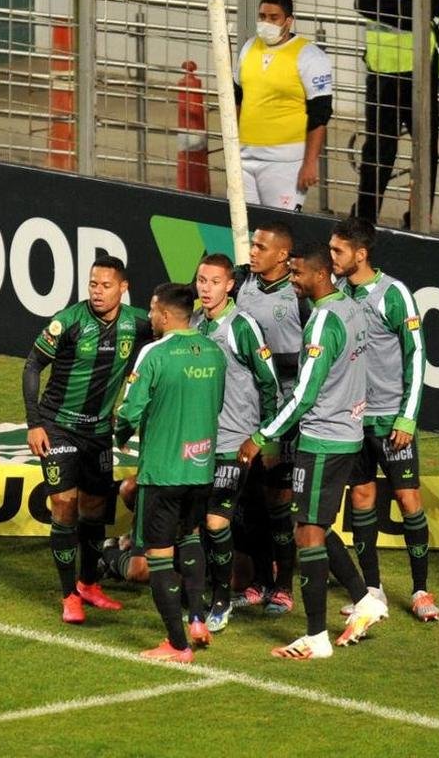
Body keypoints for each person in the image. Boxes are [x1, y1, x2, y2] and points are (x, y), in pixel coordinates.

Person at [238, 244, 386, 660]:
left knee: (307, 533)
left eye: (298, 273)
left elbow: (304, 394)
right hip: (347, 433)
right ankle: (364, 599)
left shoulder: (321, 321)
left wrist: (263, 435)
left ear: (319, 275)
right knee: (314, 526)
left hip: (323, 437)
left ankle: (316, 637)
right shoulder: (351, 308)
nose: (293, 279)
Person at [24, 256, 153, 624]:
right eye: (93, 284)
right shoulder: (68, 323)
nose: (97, 292)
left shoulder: (137, 323)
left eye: (106, 285)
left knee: (95, 510)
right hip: (58, 426)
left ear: (123, 288)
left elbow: (173, 324)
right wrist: (35, 423)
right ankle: (68, 596)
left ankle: (89, 584)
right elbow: (32, 365)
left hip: (98, 432)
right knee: (64, 505)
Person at [329, 217, 439, 621]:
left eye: (338, 251)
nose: (332, 257)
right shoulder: (337, 293)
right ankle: (372, 591)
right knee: (361, 500)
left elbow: (417, 356)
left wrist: (407, 418)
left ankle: (421, 589)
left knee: (409, 501)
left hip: (392, 421)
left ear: (360, 254)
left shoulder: (394, 295)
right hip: (353, 423)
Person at [115, 283, 225, 663]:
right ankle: (197, 619)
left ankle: (177, 645)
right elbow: (219, 401)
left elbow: (130, 411)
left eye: (151, 309)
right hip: (201, 468)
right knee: (192, 538)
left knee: (159, 558)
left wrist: (120, 433)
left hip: (163, 471)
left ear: (164, 313)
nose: (149, 316)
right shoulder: (214, 351)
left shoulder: (154, 353)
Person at [192, 253, 281, 634]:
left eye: (213, 282)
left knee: (216, 521)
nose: (205, 288)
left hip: (234, 443)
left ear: (230, 285)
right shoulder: (194, 324)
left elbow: (270, 384)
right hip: (197, 444)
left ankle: (222, 599)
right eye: (201, 280)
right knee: (198, 524)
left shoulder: (242, 327)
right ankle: (202, 595)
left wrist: (265, 436)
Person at [231, 222, 307, 615]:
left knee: (280, 502)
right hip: (246, 409)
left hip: (284, 410)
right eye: (253, 245)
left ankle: (283, 586)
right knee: (252, 498)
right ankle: (260, 580)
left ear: (282, 255)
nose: (253, 251)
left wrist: (263, 359)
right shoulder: (241, 282)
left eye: (261, 246)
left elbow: (314, 357)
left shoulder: (299, 296)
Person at [354, 0, 439, 229]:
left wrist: (381, 4)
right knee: (377, 150)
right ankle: (364, 220)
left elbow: (420, 15)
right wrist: (400, 8)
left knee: (424, 150)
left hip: (418, 73)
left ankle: (417, 220)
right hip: (381, 72)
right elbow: (361, 1)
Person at [234, 0, 334, 211]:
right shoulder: (248, 48)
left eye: (273, 17)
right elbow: (238, 97)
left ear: (289, 20)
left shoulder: (310, 56)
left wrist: (309, 163)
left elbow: (320, 115)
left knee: (279, 228)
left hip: (285, 162)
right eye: (262, 16)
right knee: (246, 229)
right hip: (244, 157)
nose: (266, 23)